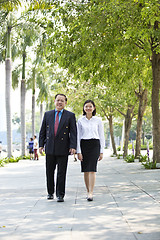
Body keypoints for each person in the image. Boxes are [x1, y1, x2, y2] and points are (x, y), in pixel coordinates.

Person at [39, 94, 77, 202]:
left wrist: (73, 146)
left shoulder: (70, 115)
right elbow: (42, 131)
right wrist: (41, 145)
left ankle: (60, 194)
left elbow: (73, 132)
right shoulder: (48, 114)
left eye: (62, 101)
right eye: (58, 100)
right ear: (54, 101)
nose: (59, 102)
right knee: (49, 172)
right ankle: (50, 192)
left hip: (63, 148)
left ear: (65, 103)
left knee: (62, 172)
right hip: (50, 148)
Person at [77, 100, 105, 201]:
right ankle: (88, 190)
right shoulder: (80, 120)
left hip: (95, 145)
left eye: (90, 106)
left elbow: (101, 136)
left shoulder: (98, 120)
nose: (88, 108)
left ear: (94, 108)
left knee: (92, 169)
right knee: (85, 170)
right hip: (84, 145)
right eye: (86, 106)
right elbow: (78, 136)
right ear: (84, 108)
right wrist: (78, 151)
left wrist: (101, 151)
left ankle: (91, 192)